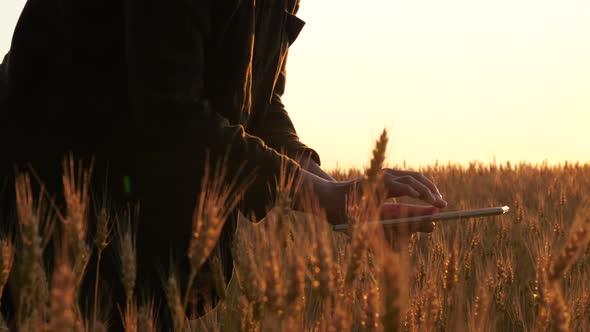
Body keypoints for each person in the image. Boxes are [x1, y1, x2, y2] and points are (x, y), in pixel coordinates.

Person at [0, 0, 447, 328]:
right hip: (48, 189)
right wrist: (325, 197)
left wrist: (342, 195)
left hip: (139, 215)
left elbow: (260, 102)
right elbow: (171, 114)